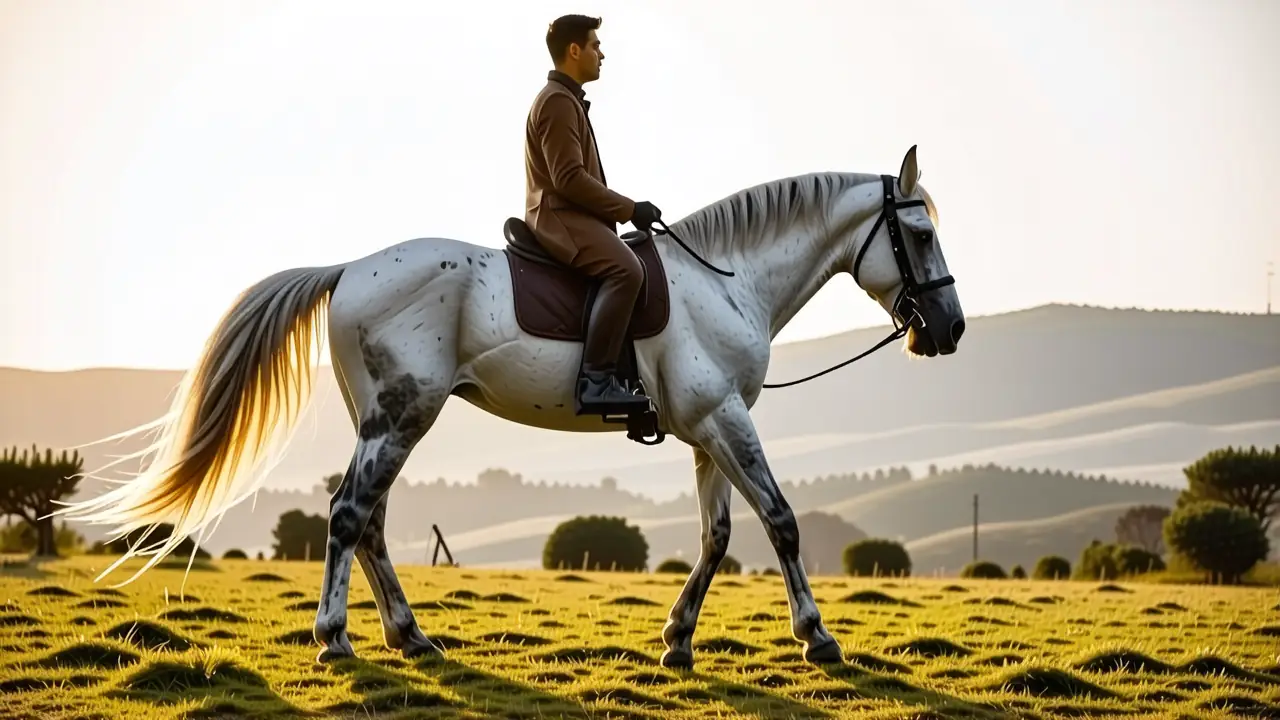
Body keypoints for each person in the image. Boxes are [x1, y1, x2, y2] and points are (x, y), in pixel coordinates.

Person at [524, 14, 661, 415]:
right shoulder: (557, 103)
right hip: (559, 217)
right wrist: (629, 209)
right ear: (574, 50)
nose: (602, 53)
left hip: (570, 215)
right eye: (595, 45)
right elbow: (568, 179)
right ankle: (597, 380)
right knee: (628, 269)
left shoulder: (566, 101)